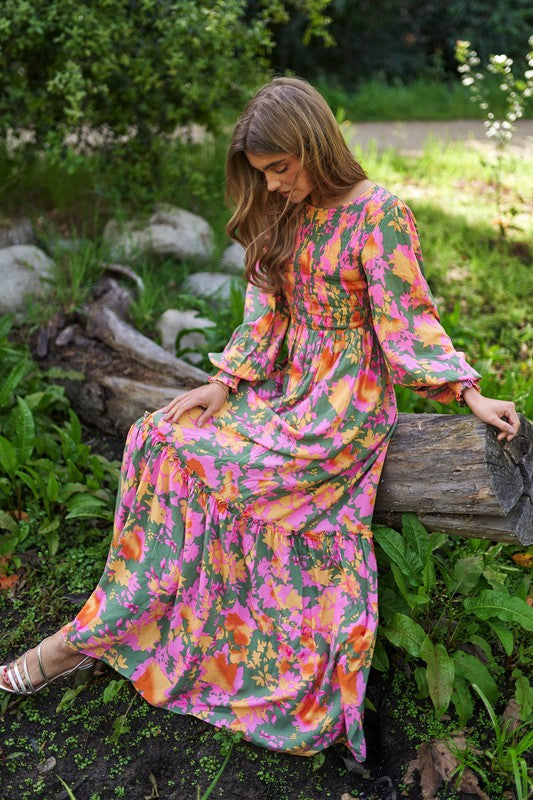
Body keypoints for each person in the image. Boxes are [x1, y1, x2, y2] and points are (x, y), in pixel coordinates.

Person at [1, 77, 519, 761]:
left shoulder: (379, 214)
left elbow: (408, 319)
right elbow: (266, 313)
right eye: (262, 172)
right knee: (156, 436)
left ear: (314, 145)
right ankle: (136, 615)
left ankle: (84, 643)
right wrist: (223, 383)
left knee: (211, 464)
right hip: (280, 389)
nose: (272, 184)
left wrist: (468, 392)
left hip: (342, 407)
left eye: (280, 167)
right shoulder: (284, 210)